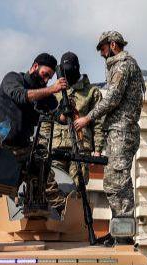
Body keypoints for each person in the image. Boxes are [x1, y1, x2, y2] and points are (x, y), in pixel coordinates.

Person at [73, 31, 144, 242]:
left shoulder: (123, 66)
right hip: (118, 131)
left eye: (103, 49)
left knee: (118, 182)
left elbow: (112, 99)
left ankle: (123, 235)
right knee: (113, 182)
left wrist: (87, 118)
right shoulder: (120, 65)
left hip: (122, 131)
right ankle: (118, 232)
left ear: (113, 45)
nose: (102, 54)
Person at [0, 53, 67, 217]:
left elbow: (58, 116)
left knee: (43, 174)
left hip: (22, 148)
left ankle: (56, 214)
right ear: (35, 66)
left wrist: (66, 109)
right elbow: (21, 96)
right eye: (44, 75)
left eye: (49, 78)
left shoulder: (43, 94)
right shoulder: (13, 79)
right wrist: (52, 89)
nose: (46, 80)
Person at [44, 51, 105, 195]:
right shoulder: (55, 91)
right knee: (54, 189)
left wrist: (97, 150)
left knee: (77, 191)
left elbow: (98, 123)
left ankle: (74, 217)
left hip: (80, 148)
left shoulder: (92, 92)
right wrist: (43, 146)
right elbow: (47, 121)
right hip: (56, 148)